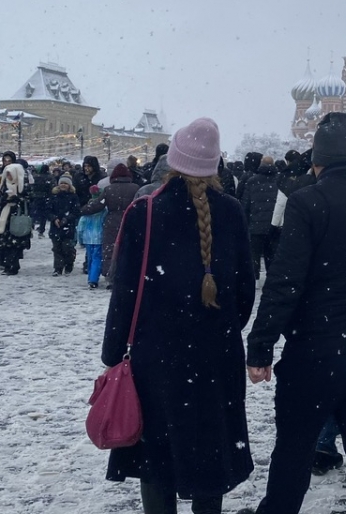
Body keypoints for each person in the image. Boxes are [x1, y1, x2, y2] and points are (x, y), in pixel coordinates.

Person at [241, 111, 346, 514]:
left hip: (318, 350)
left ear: (317, 160)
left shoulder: (309, 202)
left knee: (295, 448)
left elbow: (285, 282)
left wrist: (261, 345)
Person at [102, 117, 256, 513]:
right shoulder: (232, 212)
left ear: (172, 161)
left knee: (157, 456)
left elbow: (125, 291)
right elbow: (244, 291)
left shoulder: (145, 212)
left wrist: (114, 351)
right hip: (215, 357)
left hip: (157, 356)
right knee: (210, 448)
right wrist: (218, 328)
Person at [241, 154, 279, 280]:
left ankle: (255, 279)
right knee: (272, 254)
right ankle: (271, 279)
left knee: (254, 255)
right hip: (274, 225)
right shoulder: (279, 180)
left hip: (256, 224)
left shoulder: (252, 181)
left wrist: (246, 222)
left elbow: (246, 204)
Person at [0, 163, 31, 275]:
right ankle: (8, 265)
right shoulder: (4, 185)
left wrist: (17, 199)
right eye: (7, 174)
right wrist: (5, 199)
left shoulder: (23, 186)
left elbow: (29, 200)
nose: (9, 177)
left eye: (10, 174)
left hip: (17, 217)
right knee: (5, 244)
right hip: (5, 217)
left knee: (15, 244)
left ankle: (12, 266)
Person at [49, 174, 79, 275]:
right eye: (61, 183)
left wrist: (67, 219)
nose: (63, 185)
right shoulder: (54, 196)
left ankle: (69, 264)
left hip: (68, 227)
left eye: (65, 183)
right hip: (55, 227)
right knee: (57, 248)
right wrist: (54, 218)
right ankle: (58, 268)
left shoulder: (73, 197)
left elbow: (76, 211)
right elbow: (48, 210)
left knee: (67, 248)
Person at [78, 185, 106, 288]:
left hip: (87, 238)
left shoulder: (87, 210)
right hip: (99, 237)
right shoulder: (104, 210)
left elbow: (80, 227)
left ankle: (90, 276)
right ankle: (93, 279)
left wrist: (80, 239)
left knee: (90, 258)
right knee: (97, 258)